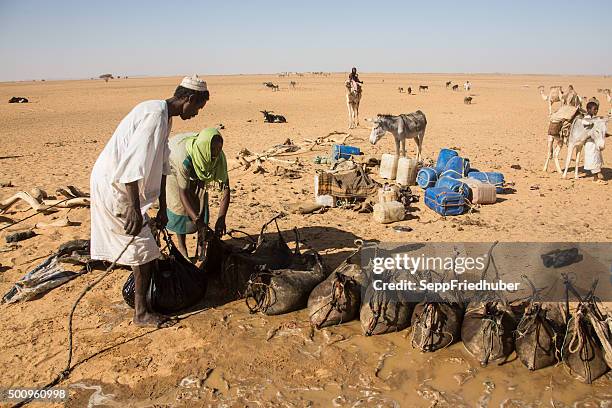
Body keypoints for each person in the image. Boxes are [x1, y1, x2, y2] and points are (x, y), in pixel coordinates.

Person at [90, 75, 209, 328]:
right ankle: (142, 314)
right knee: (143, 251)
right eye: (197, 107)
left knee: (143, 249)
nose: (197, 113)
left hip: (123, 186)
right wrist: (134, 209)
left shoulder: (164, 117)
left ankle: (143, 307)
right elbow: (131, 165)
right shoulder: (154, 114)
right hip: (116, 187)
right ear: (187, 99)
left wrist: (163, 208)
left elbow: (164, 167)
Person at [165, 128, 230, 259]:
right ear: (205, 148)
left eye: (219, 149)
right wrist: (197, 222)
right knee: (180, 207)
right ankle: (182, 248)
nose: (216, 153)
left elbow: (226, 189)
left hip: (201, 166)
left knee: (201, 202)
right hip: (173, 166)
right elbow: (183, 192)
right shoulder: (184, 159)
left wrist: (221, 218)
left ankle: (201, 247)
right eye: (213, 150)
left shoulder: (218, 158)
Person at [582, 101, 605, 183]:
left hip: (596, 142)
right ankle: (595, 178)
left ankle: (598, 174)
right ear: (588, 110)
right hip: (589, 142)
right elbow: (587, 125)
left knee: (597, 157)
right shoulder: (585, 119)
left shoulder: (595, 118)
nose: (596, 111)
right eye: (594, 109)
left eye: (597, 109)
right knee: (592, 159)